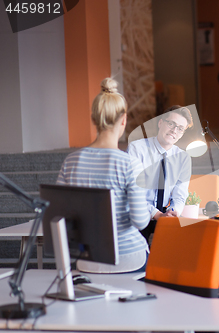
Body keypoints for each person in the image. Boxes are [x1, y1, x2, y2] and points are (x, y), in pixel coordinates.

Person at [57, 78, 150, 273]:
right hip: (129, 259)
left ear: (94, 119)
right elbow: (140, 221)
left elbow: (60, 216)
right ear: (123, 120)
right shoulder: (129, 163)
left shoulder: (70, 162)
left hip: (87, 260)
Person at [127, 105, 193, 243]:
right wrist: (156, 214)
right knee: (141, 259)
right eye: (171, 124)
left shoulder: (183, 157)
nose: (174, 130)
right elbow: (132, 193)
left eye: (180, 128)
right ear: (160, 122)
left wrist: (173, 212)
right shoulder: (137, 149)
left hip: (165, 216)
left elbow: (180, 195)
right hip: (138, 213)